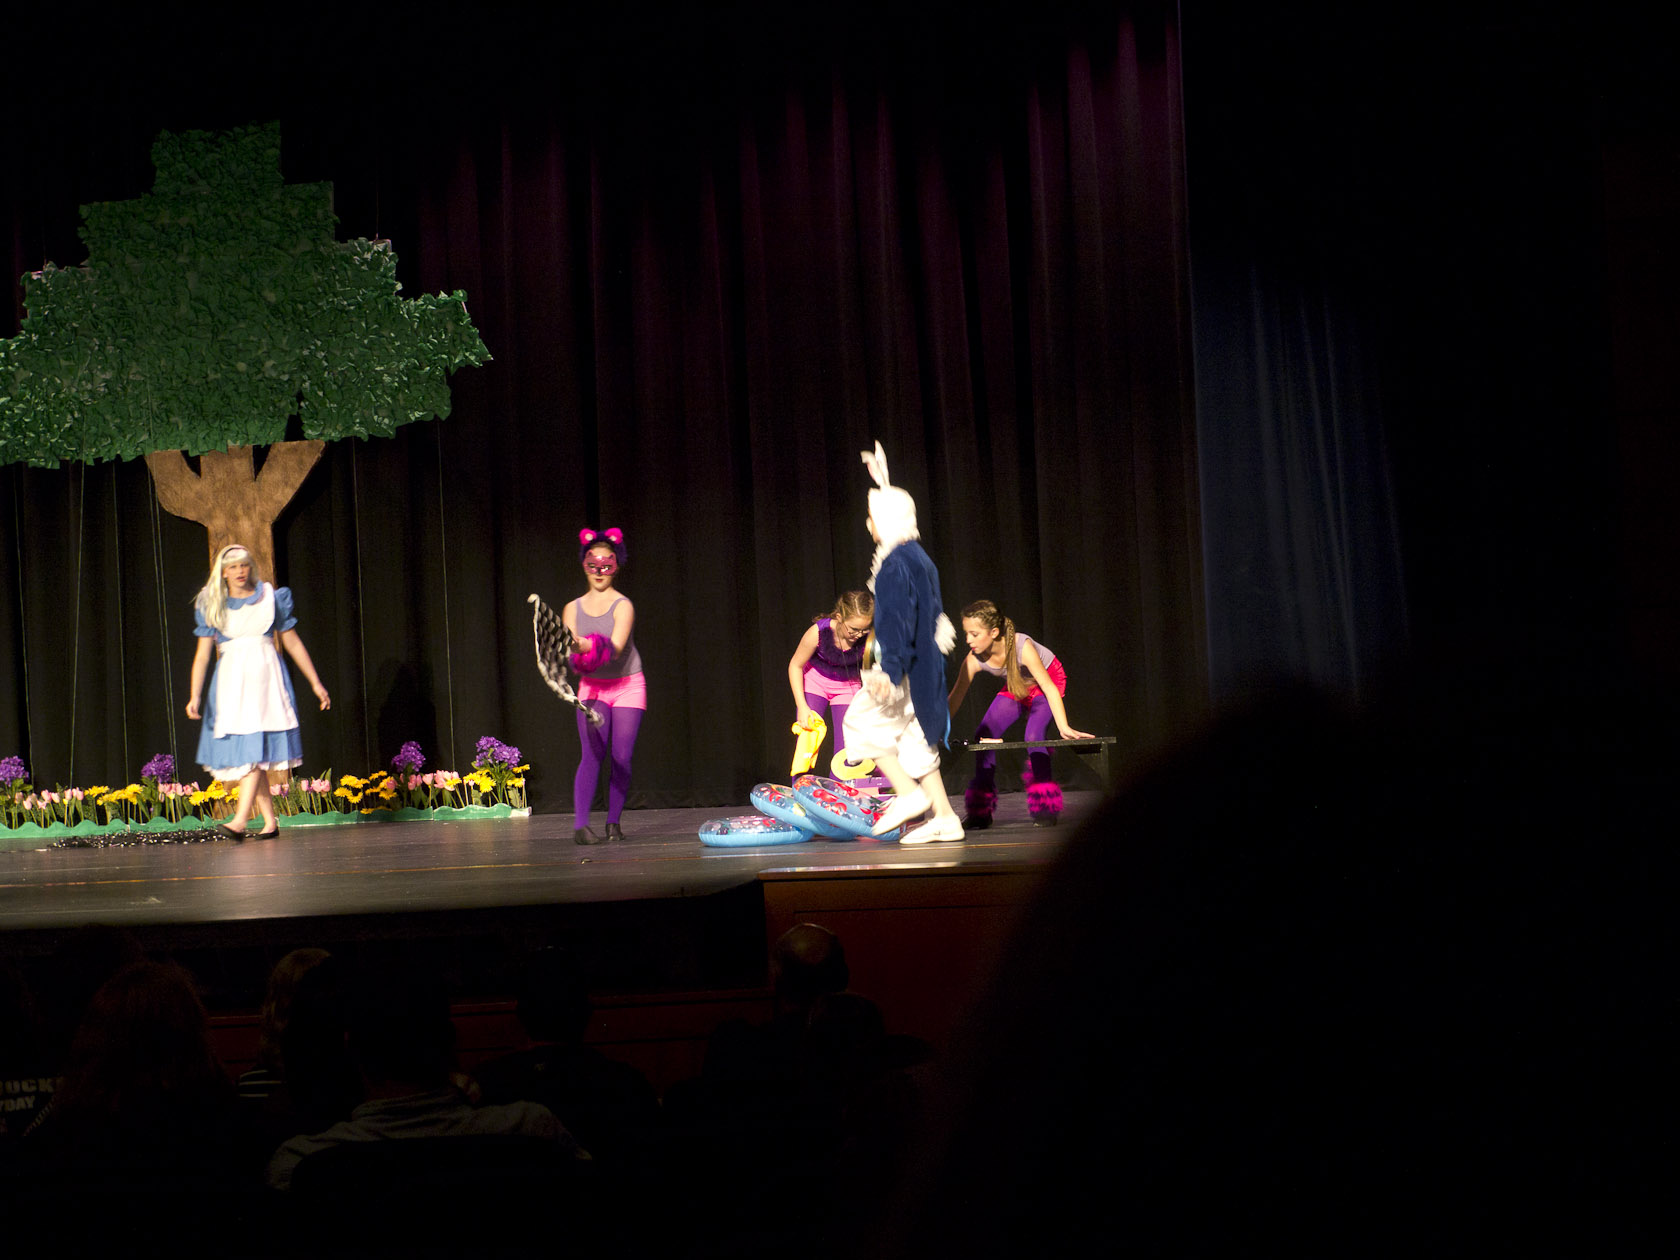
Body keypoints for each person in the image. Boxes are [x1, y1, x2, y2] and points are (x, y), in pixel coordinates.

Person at [843, 444, 964, 844]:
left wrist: (889, 670)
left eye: (872, 517)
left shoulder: (895, 565)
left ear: (887, 519)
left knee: (860, 720)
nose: (868, 525)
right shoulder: (919, 557)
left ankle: (909, 794)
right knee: (914, 737)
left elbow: (898, 619)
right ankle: (945, 817)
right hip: (925, 664)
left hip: (906, 665)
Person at [185, 543, 330, 839]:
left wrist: (315, 683)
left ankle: (239, 820)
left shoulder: (269, 598)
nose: (240, 571)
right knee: (252, 753)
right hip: (231, 683)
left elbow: (292, 642)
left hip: (265, 682)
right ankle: (270, 822)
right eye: (233, 566)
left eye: (244, 565)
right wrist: (195, 694)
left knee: (253, 752)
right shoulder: (213, 603)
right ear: (223, 572)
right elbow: (202, 655)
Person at [946, 600, 1093, 827]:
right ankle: (980, 811)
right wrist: (937, 728)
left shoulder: (1022, 648)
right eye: (966, 634)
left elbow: (1049, 687)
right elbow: (956, 697)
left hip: (1047, 682)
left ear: (994, 632)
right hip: (1018, 684)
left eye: (974, 634)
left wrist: (1063, 726)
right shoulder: (973, 660)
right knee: (983, 737)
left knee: (1034, 737)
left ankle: (1045, 808)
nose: (968, 640)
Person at [564, 527, 644, 846]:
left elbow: (615, 648)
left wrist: (583, 644)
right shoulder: (572, 608)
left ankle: (613, 822)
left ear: (616, 565)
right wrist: (571, 648)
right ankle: (581, 826)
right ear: (584, 564)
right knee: (592, 754)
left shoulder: (623, 606)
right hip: (592, 689)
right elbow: (572, 656)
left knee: (621, 756)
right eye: (592, 564)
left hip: (628, 686)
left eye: (606, 564)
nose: (599, 571)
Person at [786, 590, 874, 768]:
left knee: (847, 749)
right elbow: (795, 666)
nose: (859, 634)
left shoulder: (869, 639)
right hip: (816, 682)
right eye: (854, 629)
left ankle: (840, 786)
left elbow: (872, 671)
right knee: (807, 739)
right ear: (839, 617)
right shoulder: (819, 632)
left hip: (847, 686)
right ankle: (801, 784)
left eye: (864, 629)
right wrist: (802, 706)